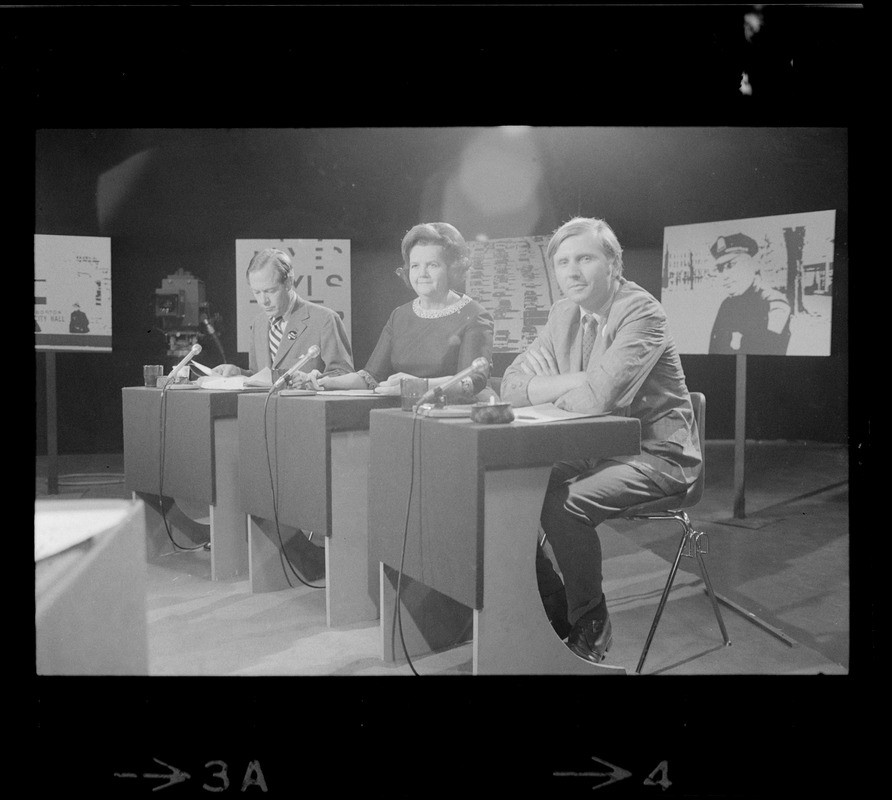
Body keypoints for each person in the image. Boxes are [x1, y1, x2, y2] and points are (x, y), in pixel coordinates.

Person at [500, 217, 701, 664]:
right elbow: (511, 385)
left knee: (562, 504)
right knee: (510, 493)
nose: (572, 272)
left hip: (657, 456)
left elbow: (598, 399)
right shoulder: (562, 313)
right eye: (563, 261)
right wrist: (577, 378)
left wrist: (568, 386)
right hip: (591, 450)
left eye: (585, 258)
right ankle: (550, 605)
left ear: (614, 263)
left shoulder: (641, 311)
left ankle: (591, 621)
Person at [316, 222, 495, 402]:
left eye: (432, 265)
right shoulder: (399, 315)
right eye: (415, 265)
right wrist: (325, 382)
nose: (422, 274)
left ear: (452, 269)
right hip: (407, 412)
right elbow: (370, 377)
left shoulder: (475, 315)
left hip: (460, 414)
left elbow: (473, 381)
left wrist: (418, 385)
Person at [213, 248, 354, 384]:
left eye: (270, 291)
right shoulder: (259, 323)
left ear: (288, 283)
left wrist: (311, 380)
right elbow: (261, 377)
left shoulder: (325, 320)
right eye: (257, 292)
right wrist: (238, 373)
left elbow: (343, 374)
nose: (263, 301)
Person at [707, 233, 791, 355]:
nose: (725, 275)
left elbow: (768, 358)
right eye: (721, 268)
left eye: (731, 265)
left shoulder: (775, 304)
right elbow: (714, 352)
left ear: (751, 265)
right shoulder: (727, 305)